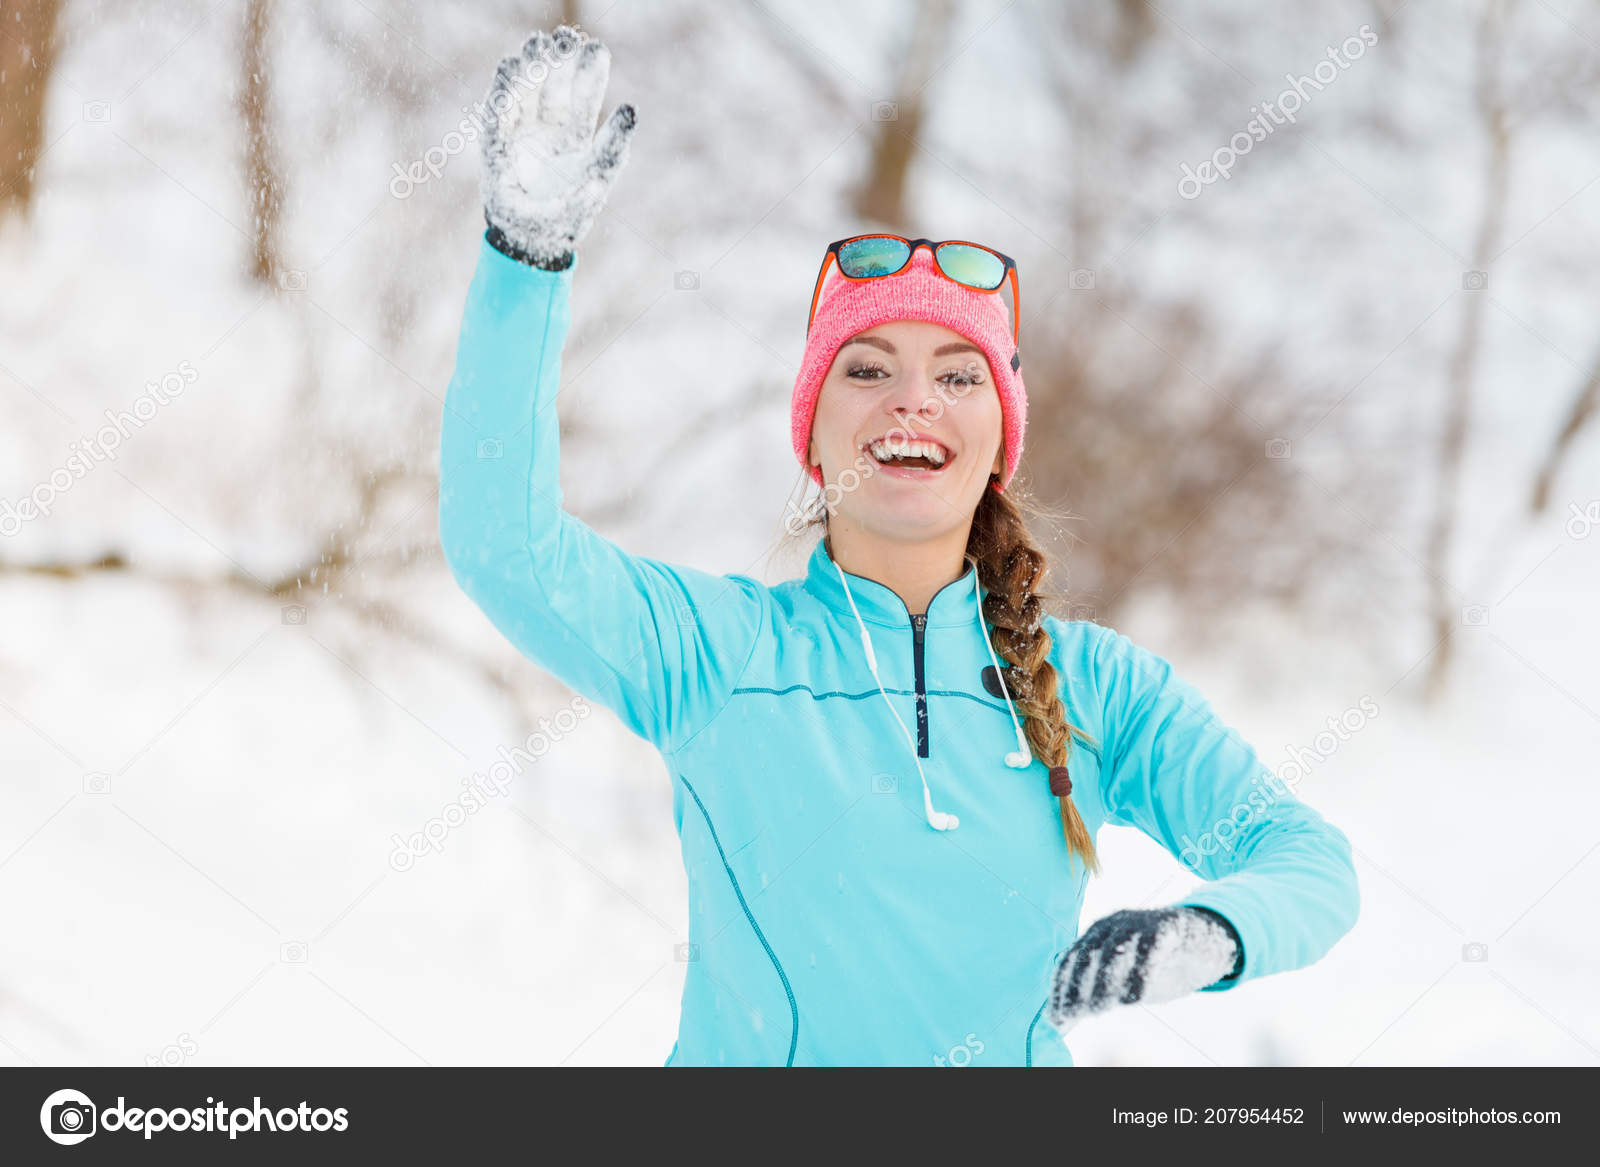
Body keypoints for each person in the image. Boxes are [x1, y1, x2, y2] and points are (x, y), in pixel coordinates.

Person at [438, 25, 1360, 1067]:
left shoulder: (1097, 686)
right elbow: (500, 546)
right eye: (867, 370)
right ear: (814, 429)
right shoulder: (718, 651)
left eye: (958, 377)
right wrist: (524, 259)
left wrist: (1214, 931)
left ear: (999, 440)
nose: (913, 401)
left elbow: (1308, 862)